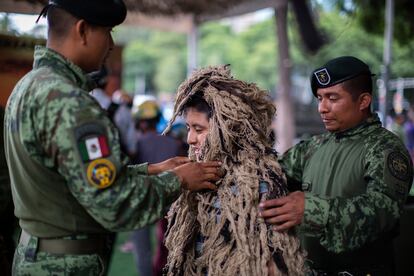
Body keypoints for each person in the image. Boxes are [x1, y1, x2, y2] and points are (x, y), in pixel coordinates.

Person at [3, 1, 221, 274]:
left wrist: (153, 170)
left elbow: (77, 178)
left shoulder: (28, 87)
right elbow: (115, 205)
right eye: (107, 32)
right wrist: (179, 180)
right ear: (82, 31)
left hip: (35, 255)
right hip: (66, 265)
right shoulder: (70, 103)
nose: (110, 44)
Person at [259, 56, 413, 275]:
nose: (322, 108)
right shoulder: (313, 147)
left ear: (363, 101)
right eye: (320, 98)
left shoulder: (385, 149)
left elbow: (383, 213)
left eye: (332, 98)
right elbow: (269, 174)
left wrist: (312, 210)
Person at [163, 65, 305, 275]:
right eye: (188, 128)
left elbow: (272, 261)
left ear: (227, 128)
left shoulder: (258, 184)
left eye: (199, 129)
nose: (190, 139)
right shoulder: (194, 176)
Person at [129, 99, 183, 276]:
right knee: (168, 245)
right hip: (170, 200)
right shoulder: (174, 143)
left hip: (142, 201)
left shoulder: (134, 145)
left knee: (142, 251)